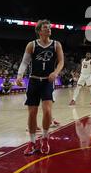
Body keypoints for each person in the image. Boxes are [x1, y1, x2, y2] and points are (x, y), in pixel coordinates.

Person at [16, 19, 64, 155]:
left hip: (47, 82)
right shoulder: (31, 45)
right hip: (34, 80)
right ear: (39, 31)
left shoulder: (56, 45)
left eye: (49, 27)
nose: (48, 29)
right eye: (45, 28)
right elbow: (24, 62)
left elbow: (61, 62)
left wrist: (55, 72)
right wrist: (19, 75)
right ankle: (31, 142)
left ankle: (45, 139)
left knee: (48, 112)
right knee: (32, 113)